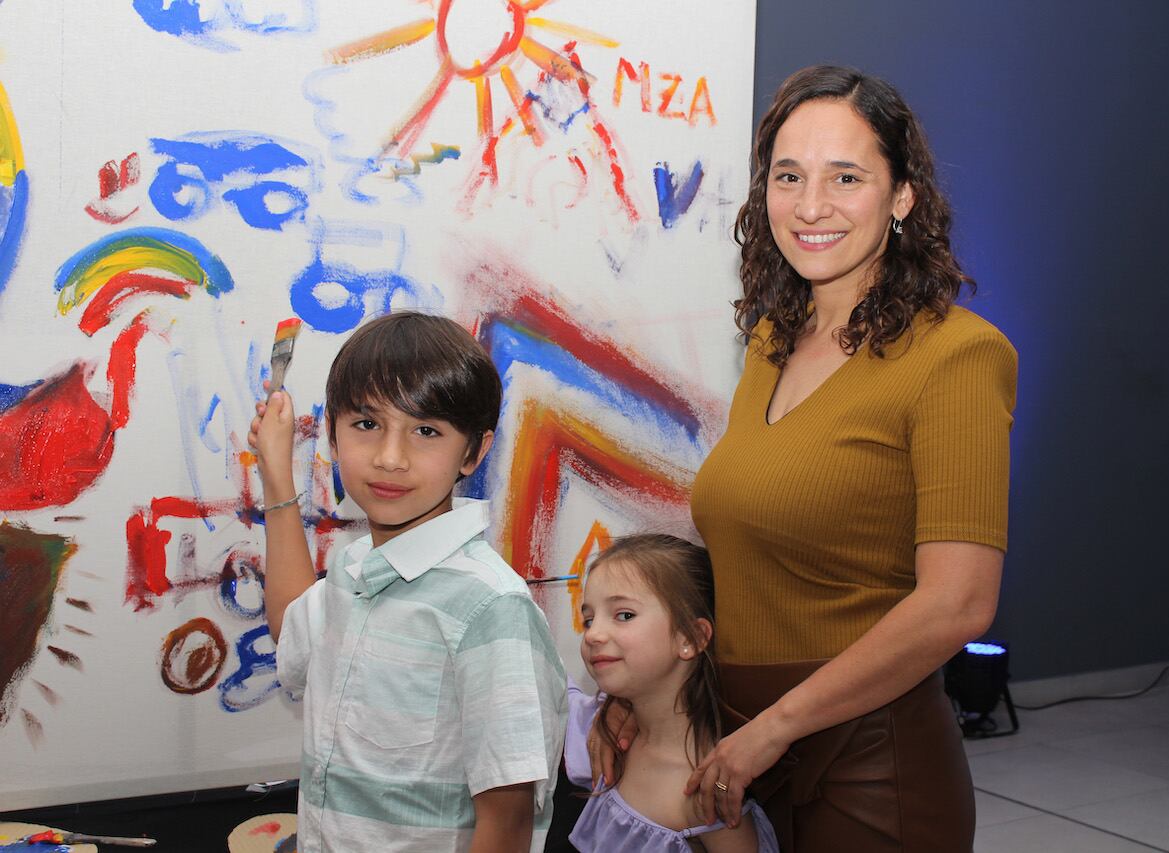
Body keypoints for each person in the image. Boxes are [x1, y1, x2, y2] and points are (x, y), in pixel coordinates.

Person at [598, 66, 1017, 851]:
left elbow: (959, 604)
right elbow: (748, 554)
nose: (811, 205)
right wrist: (659, 692)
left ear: (902, 198)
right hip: (738, 744)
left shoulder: (960, 354)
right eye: (788, 177)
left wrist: (776, 727)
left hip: (867, 762)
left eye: (846, 177)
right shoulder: (772, 340)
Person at [249, 311, 568, 853]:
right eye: (367, 425)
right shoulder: (355, 572)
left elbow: (508, 821)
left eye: (425, 431)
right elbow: (293, 630)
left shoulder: (490, 607)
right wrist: (276, 473)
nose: (390, 458)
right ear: (332, 436)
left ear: (474, 451)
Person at [565, 534, 779, 852]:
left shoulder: (704, 791)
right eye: (589, 619)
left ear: (691, 638)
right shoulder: (608, 738)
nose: (594, 634)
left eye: (624, 615)